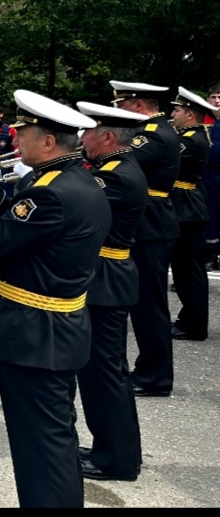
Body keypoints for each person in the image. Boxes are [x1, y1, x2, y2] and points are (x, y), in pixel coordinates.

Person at [0, 90, 109, 508]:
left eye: (23, 133)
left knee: (41, 449)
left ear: (47, 142)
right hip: (51, 331)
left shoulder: (52, 192)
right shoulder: (68, 179)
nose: (15, 141)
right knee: (51, 442)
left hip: (36, 334)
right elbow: (22, 222)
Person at [74, 101, 150, 483]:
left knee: (105, 374)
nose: (81, 138)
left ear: (106, 137)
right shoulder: (114, 168)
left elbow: (76, 206)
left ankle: (116, 459)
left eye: (87, 132)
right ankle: (111, 448)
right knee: (100, 373)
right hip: (105, 276)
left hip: (106, 279)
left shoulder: (116, 175)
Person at [111, 80, 181, 397]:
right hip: (148, 223)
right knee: (142, 304)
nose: (116, 110)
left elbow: (119, 162)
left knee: (149, 306)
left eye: (121, 104)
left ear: (139, 104)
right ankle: (148, 370)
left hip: (151, 226)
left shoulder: (152, 134)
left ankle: (155, 377)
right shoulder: (153, 130)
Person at [168, 87, 212, 341]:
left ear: (190, 114)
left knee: (188, 270)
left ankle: (193, 324)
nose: (173, 114)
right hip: (186, 205)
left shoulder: (190, 140)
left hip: (187, 208)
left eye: (177, 110)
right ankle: (191, 321)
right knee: (186, 269)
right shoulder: (191, 135)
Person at [0, 103, 19, 200]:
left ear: (1, 114)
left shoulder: (10, 130)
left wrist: (14, 172)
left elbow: (17, 152)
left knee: (7, 199)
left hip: (5, 170)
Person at [206, 85, 220, 271]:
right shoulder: (203, 122)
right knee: (210, 217)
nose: (217, 101)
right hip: (208, 176)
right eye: (214, 97)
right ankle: (210, 254)